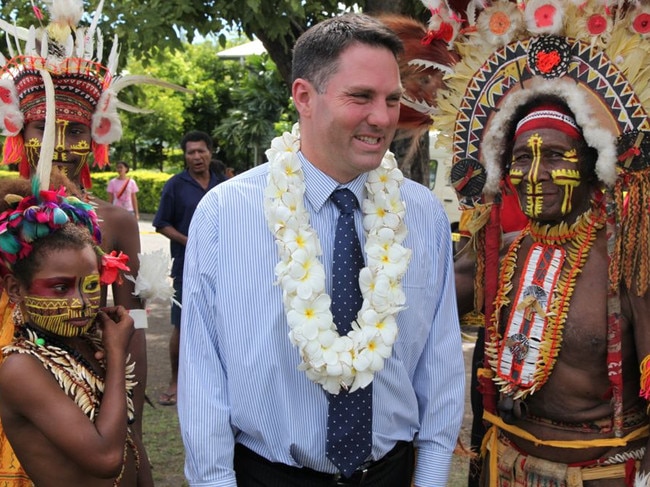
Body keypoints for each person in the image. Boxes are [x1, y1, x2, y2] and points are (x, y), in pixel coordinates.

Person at [177, 13, 465, 487]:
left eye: (392, 99)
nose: (382, 116)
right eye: (361, 96)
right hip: (269, 476)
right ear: (304, 97)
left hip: (389, 474)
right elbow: (204, 379)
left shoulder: (422, 215)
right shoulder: (225, 214)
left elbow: (439, 366)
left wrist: (430, 477)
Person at [427, 0, 650, 483]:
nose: (533, 174)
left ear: (593, 165)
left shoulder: (628, 263)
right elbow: (412, 310)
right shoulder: (498, 255)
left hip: (603, 474)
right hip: (505, 464)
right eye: (521, 159)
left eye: (554, 155)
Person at [0, 1, 186, 482]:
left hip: (91, 381)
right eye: (45, 127)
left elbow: (133, 322)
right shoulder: (2, 210)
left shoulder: (117, 221)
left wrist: (136, 433)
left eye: (77, 129)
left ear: (98, 134)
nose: (60, 144)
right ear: (21, 129)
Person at [0, 177, 152, 486]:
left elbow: (130, 446)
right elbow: (107, 459)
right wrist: (116, 353)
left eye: (91, 285)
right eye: (60, 288)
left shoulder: (88, 343)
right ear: (15, 289)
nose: (81, 302)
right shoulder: (20, 368)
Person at [153, 130, 221, 407]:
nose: (196, 157)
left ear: (210, 152)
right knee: (182, 325)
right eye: (191, 152)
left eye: (201, 151)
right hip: (187, 268)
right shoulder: (175, 185)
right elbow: (161, 223)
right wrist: (190, 241)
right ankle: (175, 381)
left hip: (221, 266)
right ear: (185, 155)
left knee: (221, 324)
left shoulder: (223, 183)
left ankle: (215, 382)